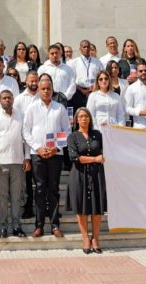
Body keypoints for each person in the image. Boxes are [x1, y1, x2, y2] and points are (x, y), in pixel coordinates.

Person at [23, 77, 69, 238]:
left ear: (52, 90)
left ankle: (55, 225)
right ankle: (39, 225)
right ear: (39, 90)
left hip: (56, 154)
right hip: (38, 155)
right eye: (43, 89)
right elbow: (26, 132)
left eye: (48, 89)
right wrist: (38, 148)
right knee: (40, 189)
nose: (46, 91)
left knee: (54, 190)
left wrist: (56, 148)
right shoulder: (32, 108)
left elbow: (67, 131)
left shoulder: (60, 108)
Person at [0, 89, 30, 238]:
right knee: (2, 196)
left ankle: (17, 226)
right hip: (1, 162)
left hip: (18, 162)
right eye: (4, 98)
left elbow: (26, 138)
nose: (7, 100)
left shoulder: (21, 115)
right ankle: (3, 227)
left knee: (17, 196)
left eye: (9, 98)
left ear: (13, 99)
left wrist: (27, 157)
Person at [67, 107, 107, 254]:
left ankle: (96, 238)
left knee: (96, 207)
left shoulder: (98, 135)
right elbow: (74, 157)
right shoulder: (72, 137)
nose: (84, 119)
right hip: (79, 175)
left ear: (90, 119)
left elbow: (105, 150)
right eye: (81, 116)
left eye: (86, 116)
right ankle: (85, 237)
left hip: (96, 174)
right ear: (77, 120)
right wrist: (95, 159)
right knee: (81, 208)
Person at [15, 71, 39, 219]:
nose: (34, 83)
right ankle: (28, 208)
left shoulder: (42, 97)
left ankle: (44, 207)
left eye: (36, 80)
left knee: (40, 181)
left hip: (38, 145)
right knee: (26, 182)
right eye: (32, 80)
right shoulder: (19, 99)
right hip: (23, 144)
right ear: (26, 81)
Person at [87, 70, 125, 147]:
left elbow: (120, 115)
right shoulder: (93, 96)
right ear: (97, 81)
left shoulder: (116, 96)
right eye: (100, 79)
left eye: (106, 78)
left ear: (109, 80)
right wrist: (97, 131)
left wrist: (120, 129)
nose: (103, 81)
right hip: (98, 130)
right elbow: (91, 115)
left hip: (114, 130)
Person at [71, 40, 102, 112]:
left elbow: (101, 76)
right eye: (84, 47)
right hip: (79, 92)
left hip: (95, 91)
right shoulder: (74, 62)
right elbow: (72, 80)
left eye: (88, 47)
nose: (86, 49)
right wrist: (81, 90)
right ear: (80, 49)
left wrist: (95, 87)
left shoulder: (97, 62)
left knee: (93, 112)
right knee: (80, 113)